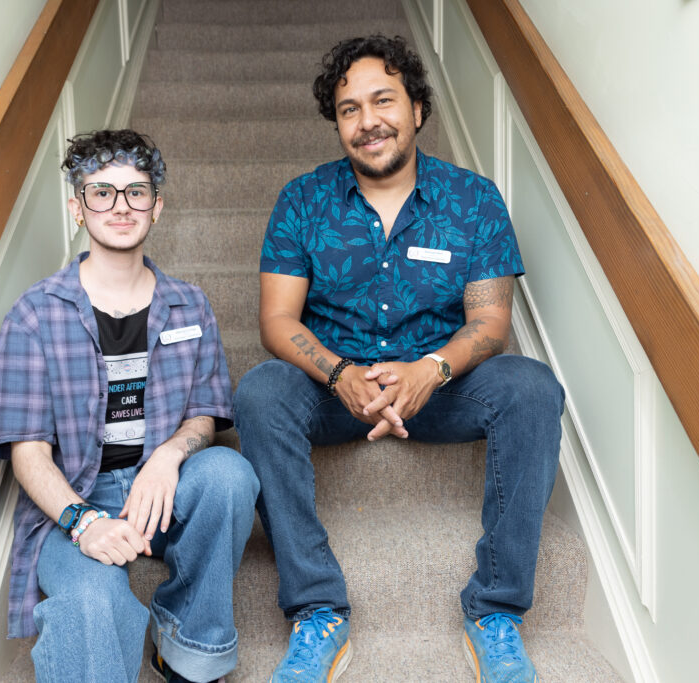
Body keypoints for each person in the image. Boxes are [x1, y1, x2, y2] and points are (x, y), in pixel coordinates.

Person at [232, 35, 564, 682]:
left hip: (440, 386)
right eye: (349, 109)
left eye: (383, 100)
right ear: (337, 124)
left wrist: (431, 369)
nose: (367, 121)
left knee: (532, 388)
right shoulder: (303, 200)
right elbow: (277, 321)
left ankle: (495, 611)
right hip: (334, 387)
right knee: (260, 392)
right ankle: (317, 610)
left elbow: (492, 322)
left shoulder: (473, 200)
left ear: (417, 108)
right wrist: (337, 372)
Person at [0, 129, 258, 683]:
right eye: (102, 192)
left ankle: (189, 651)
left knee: (230, 475)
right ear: (77, 208)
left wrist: (169, 456)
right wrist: (82, 520)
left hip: (161, 484)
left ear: (158, 206)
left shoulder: (189, 304)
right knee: (89, 605)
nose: (121, 206)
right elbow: (28, 452)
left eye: (136, 191)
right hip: (75, 496)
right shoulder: (35, 316)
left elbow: (204, 412)